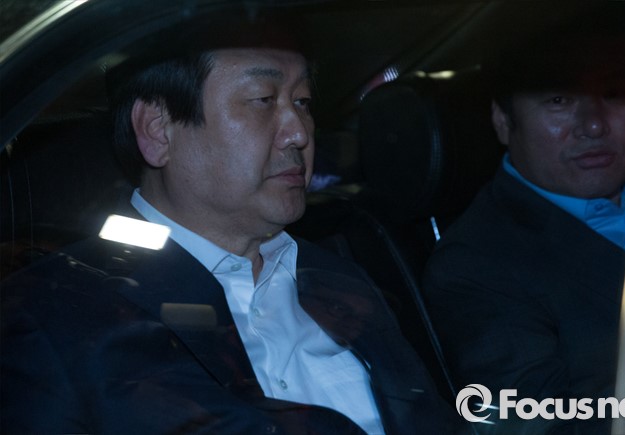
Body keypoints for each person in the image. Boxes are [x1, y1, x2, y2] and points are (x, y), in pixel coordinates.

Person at [0, 29, 465, 434]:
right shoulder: (58, 315)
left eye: (302, 102)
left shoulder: (341, 274)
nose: (299, 132)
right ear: (158, 131)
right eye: (263, 100)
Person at [423, 10, 625, 435]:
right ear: (502, 120)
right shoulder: (475, 266)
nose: (593, 124)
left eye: (614, 92)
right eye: (558, 100)